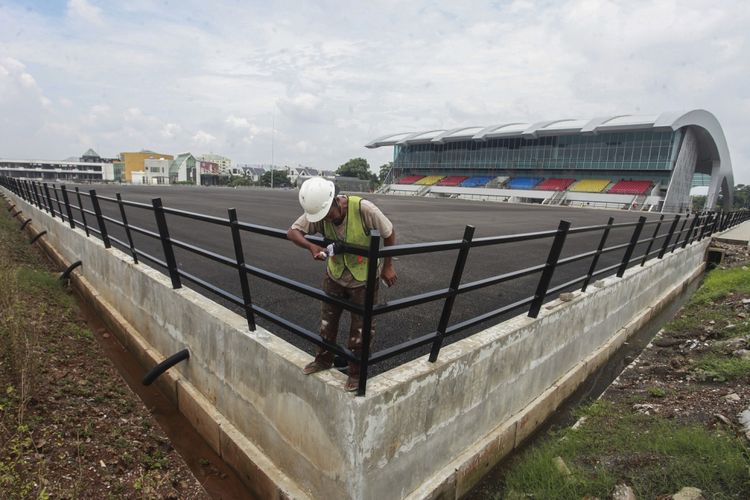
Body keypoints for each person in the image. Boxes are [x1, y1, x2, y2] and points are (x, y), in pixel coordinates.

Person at [287, 177, 397, 391]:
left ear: (336, 200)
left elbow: (389, 233)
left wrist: (388, 266)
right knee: (327, 322)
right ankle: (323, 359)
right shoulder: (318, 211)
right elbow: (292, 232)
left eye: (329, 213)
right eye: (323, 216)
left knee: (361, 328)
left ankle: (356, 373)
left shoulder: (364, 209)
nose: (327, 218)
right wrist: (310, 246)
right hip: (335, 274)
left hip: (364, 277)